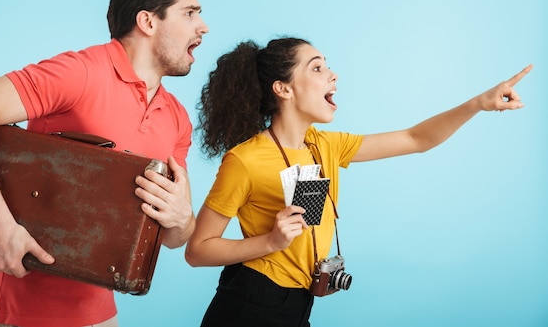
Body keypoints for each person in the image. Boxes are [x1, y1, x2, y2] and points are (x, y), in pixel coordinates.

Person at [0, 0, 209, 327]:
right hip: (24, 311)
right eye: (190, 13)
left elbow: (175, 238)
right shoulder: (80, 73)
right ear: (148, 21)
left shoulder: (176, 117)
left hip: (102, 314)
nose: (202, 27)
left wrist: (182, 219)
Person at [185, 37, 532, 327]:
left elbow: (416, 139)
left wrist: (478, 104)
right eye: (317, 68)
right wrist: (272, 241)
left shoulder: (326, 146)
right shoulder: (245, 160)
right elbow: (198, 250)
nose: (332, 74)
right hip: (251, 302)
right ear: (283, 89)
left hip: (299, 305)